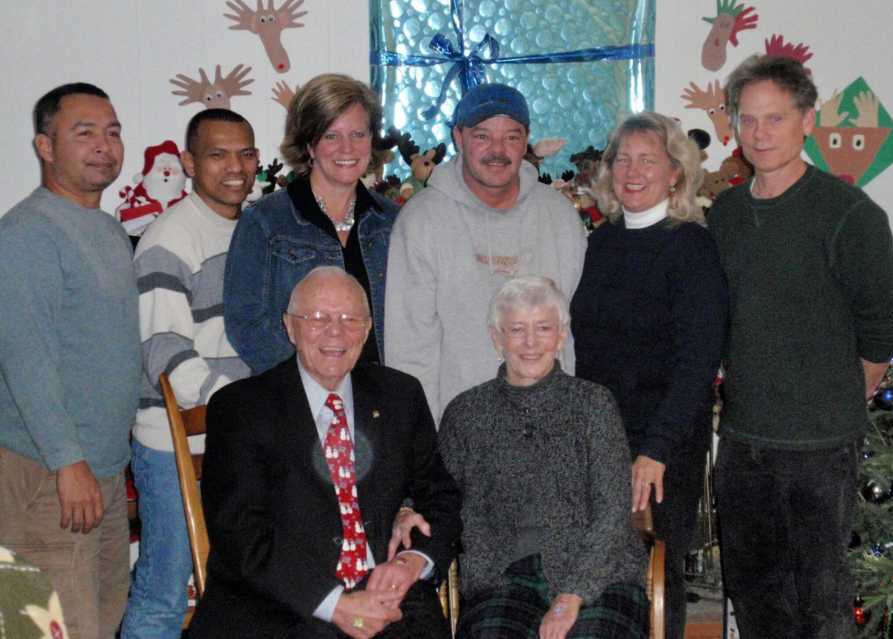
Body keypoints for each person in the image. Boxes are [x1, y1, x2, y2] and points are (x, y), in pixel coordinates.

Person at [708, 55, 893, 637]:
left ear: (808, 121)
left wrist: (843, 390)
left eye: (776, 119)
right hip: (742, 442)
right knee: (754, 594)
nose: (760, 134)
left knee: (820, 600)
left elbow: (883, 326)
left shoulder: (849, 215)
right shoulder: (727, 214)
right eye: (748, 120)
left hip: (819, 446)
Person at [189, 267, 462, 639]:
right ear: (290, 326)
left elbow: (441, 497)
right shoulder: (241, 408)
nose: (335, 332)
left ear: (367, 330)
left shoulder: (399, 395)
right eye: (317, 318)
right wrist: (336, 604)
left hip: (386, 594)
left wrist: (413, 562)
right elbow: (241, 534)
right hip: (280, 604)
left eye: (350, 319)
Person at [569, 113, 728, 639]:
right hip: (598, 442)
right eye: (623, 160)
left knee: (654, 578)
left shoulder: (691, 247)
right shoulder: (600, 243)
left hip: (660, 451)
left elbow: (697, 363)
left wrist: (655, 449)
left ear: (675, 173)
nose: (633, 172)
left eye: (648, 160)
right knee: (598, 573)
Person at [0, 83, 141, 639]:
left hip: (99, 472)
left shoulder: (106, 229)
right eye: (84, 132)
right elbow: (24, 357)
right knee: (48, 628)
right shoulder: (27, 234)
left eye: (112, 131)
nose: (104, 144)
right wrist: (67, 463)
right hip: (47, 474)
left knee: (100, 623)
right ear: (44, 146)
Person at [439, 276, 648, 639]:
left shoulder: (593, 405)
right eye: (516, 329)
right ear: (496, 338)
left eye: (543, 328)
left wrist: (572, 596)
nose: (531, 342)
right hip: (501, 578)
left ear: (562, 335)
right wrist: (409, 509)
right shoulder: (466, 413)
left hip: (598, 577)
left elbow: (613, 511)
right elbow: (438, 494)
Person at [120, 109, 259, 639]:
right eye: (218, 154)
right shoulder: (169, 238)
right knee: (164, 588)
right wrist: (249, 410)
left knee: (233, 589)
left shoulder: (253, 227)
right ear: (188, 163)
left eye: (245, 153)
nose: (235, 167)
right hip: (173, 441)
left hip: (231, 437)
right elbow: (166, 353)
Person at [385, 83, 587, 421]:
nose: (498, 150)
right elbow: (409, 349)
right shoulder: (422, 221)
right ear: (458, 137)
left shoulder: (560, 217)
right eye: (482, 136)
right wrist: (426, 443)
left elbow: (568, 335)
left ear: (526, 142)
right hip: (459, 432)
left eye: (511, 137)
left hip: (550, 429)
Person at [224, 73, 398, 375]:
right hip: (293, 402)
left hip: (379, 399)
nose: (347, 148)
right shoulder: (265, 222)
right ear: (309, 144)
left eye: (358, 134)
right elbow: (246, 325)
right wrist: (314, 384)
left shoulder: (393, 223)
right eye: (331, 135)